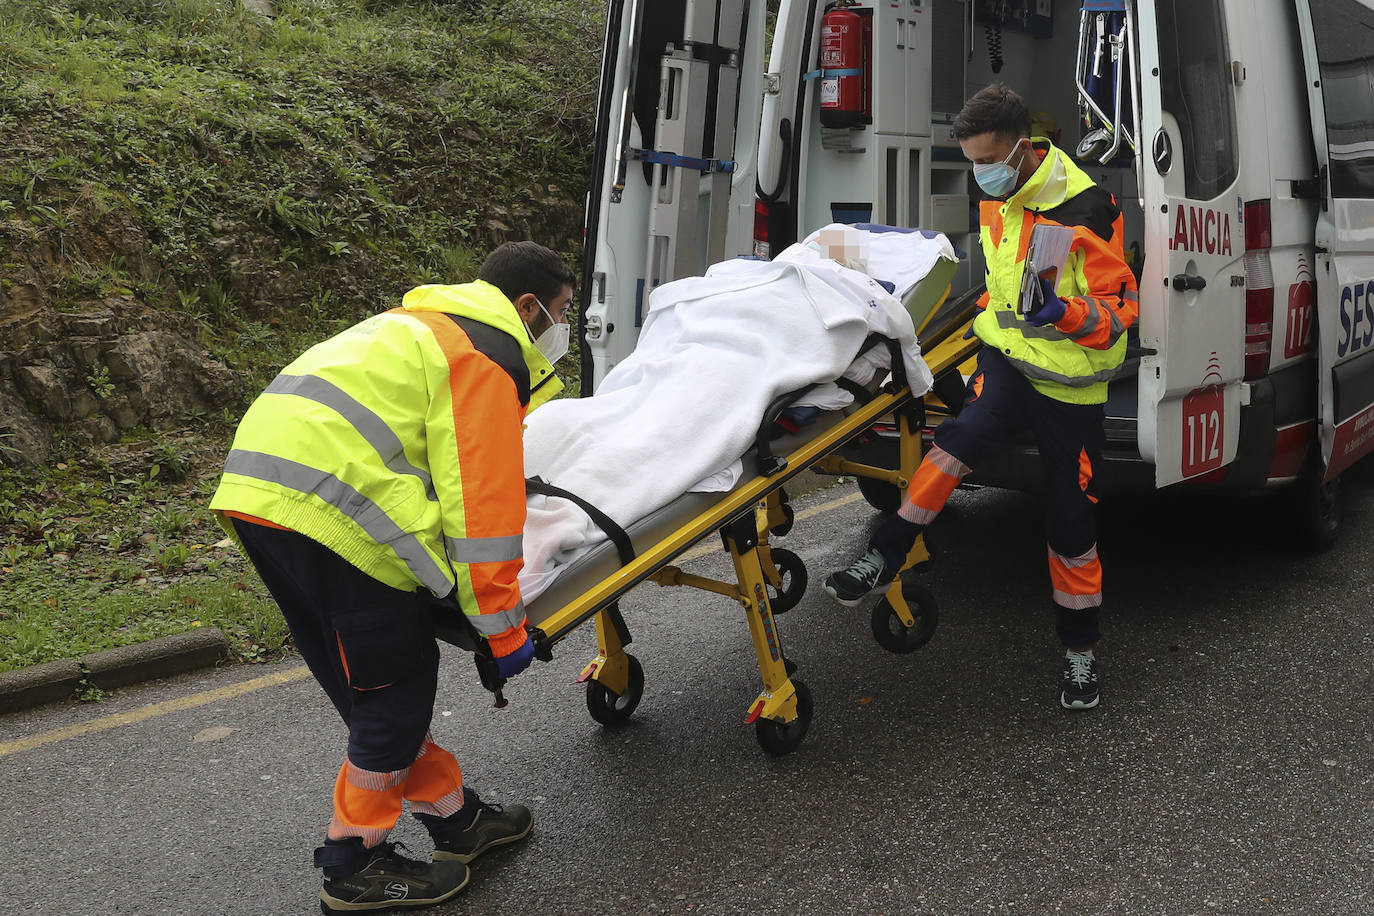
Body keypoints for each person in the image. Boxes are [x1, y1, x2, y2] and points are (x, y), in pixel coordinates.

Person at [210, 240, 574, 913]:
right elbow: (480, 513)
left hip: (265, 489)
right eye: (560, 312)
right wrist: (501, 631)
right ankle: (353, 864)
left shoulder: (423, 326)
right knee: (392, 684)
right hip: (332, 502)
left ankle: (456, 820)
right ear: (528, 307)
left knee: (375, 682)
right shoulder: (484, 356)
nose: (563, 332)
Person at [823, 83, 1139, 711]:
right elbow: (998, 291)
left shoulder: (1086, 209)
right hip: (1008, 364)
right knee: (955, 444)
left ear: (1022, 151)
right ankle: (883, 557)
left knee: (1071, 519)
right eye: (970, 161)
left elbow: (1119, 312)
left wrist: (1064, 312)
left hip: (1071, 384)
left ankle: (1080, 653)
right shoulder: (996, 194)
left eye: (987, 162)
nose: (979, 176)